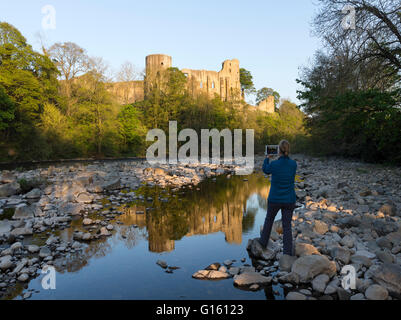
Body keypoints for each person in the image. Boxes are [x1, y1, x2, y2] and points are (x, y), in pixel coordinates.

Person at [259, 140, 297, 256]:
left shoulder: (274, 164)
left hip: (275, 198)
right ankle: (287, 253)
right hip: (289, 199)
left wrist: (267, 158)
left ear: (278, 151)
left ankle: (263, 244)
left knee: (269, 221)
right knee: (287, 226)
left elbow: (265, 169)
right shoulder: (293, 164)